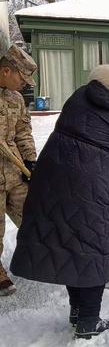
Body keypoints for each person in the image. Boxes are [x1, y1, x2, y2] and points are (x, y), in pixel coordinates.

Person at [10, 65, 109, 339]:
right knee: (93, 246)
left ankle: (77, 310)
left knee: (67, 240)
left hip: (51, 169)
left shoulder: (84, 92)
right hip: (92, 177)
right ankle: (88, 320)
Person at [0, 45, 37, 296]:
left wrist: (31, 161)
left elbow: (23, 131)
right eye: (21, 78)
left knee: (34, 217)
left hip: (15, 172)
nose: (24, 84)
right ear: (6, 71)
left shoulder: (15, 99)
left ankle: (37, 256)